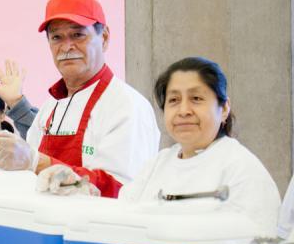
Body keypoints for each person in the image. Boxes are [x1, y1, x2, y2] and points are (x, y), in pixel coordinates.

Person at [0, 0, 160, 197]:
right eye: (57, 37)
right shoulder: (51, 106)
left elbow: (122, 191)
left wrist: (37, 162)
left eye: (78, 35)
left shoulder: (126, 105)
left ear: (104, 38)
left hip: (95, 228)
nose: (66, 46)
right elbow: (26, 174)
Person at [120, 57, 280, 234]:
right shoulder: (156, 165)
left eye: (196, 98)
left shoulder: (242, 169)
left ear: (224, 108)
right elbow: (124, 222)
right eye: (174, 100)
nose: (183, 111)